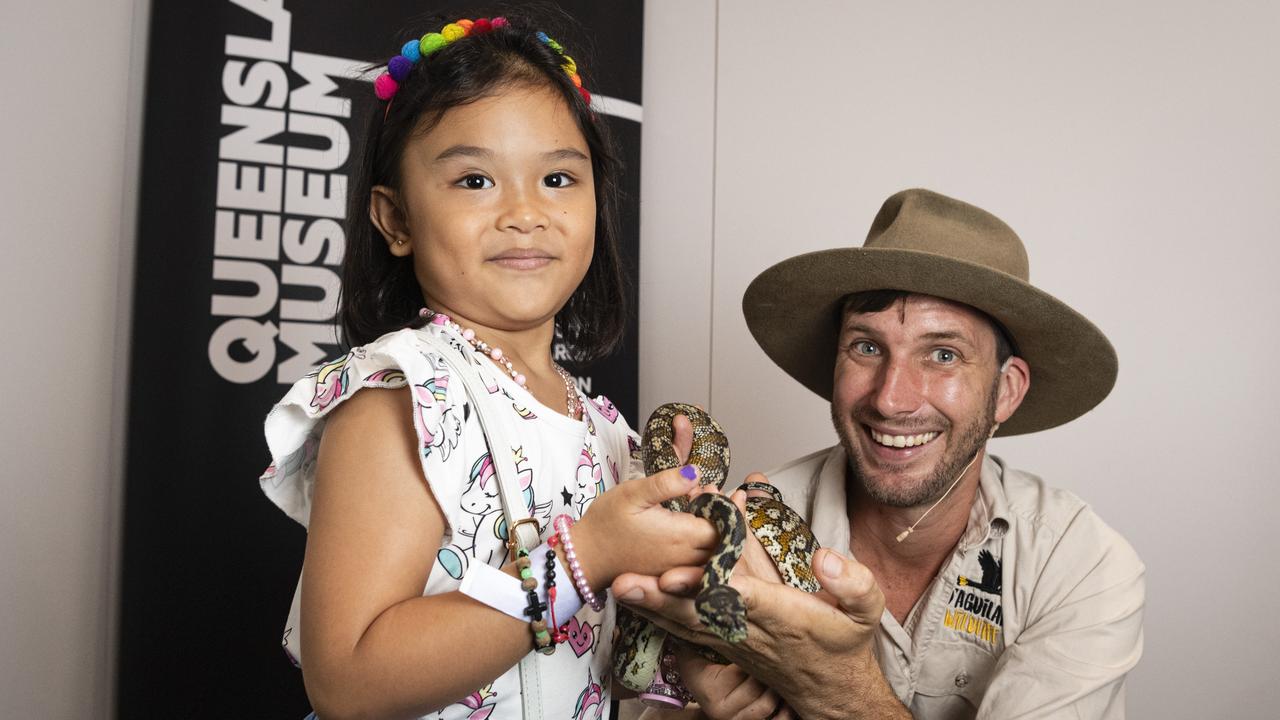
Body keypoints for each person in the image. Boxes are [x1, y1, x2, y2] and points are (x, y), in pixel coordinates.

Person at [258, 13, 716, 720]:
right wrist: (583, 556)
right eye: (475, 180)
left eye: (559, 177)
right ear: (396, 219)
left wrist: (688, 582)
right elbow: (347, 681)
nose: (526, 212)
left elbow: (583, 656)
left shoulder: (600, 426)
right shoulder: (401, 399)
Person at [613, 189, 1146, 719]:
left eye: (943, 354)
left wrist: (836, 690)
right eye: (867, 347)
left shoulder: (1079, 565)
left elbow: (836, 690)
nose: (891, 399)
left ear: (1006, 390)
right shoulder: (735, 530)